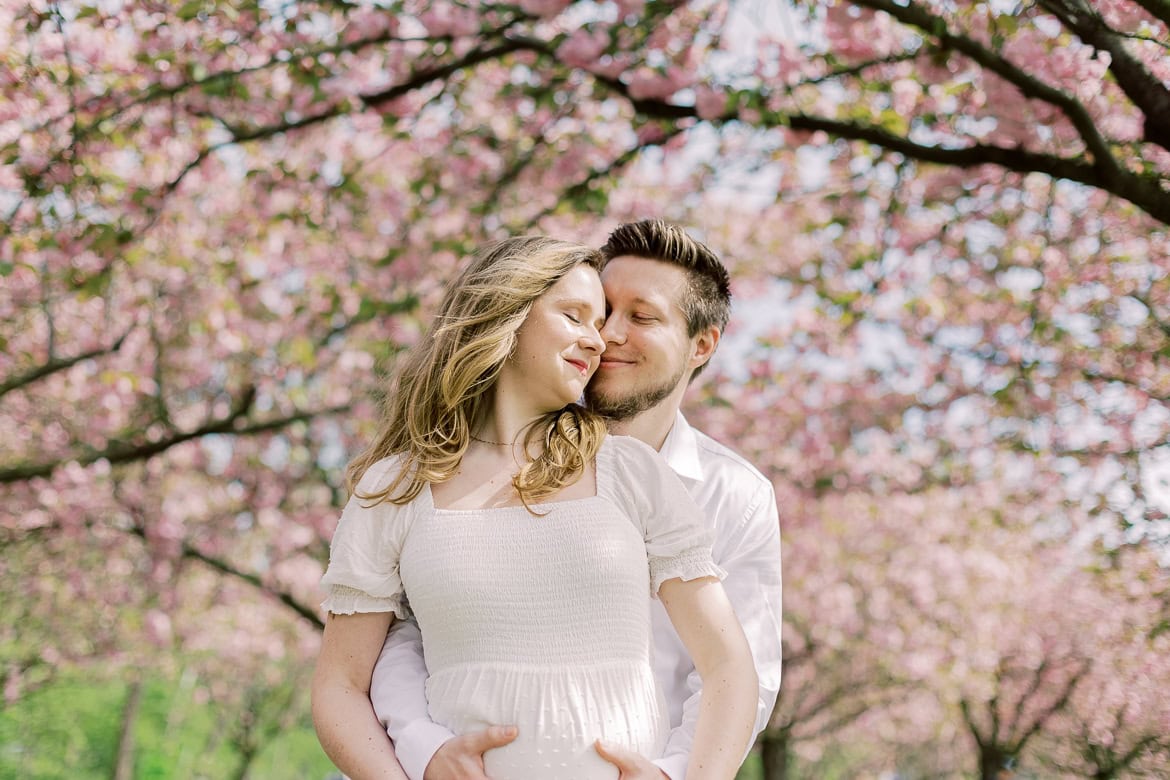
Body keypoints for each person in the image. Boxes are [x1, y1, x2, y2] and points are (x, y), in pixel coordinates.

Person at [312, 235, 759, 780]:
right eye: (575, 316)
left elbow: (729, 666)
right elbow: (339, 686)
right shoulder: (397, 485)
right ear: (506, 314)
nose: (598, 342)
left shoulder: (632, 472)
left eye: (600, 324)